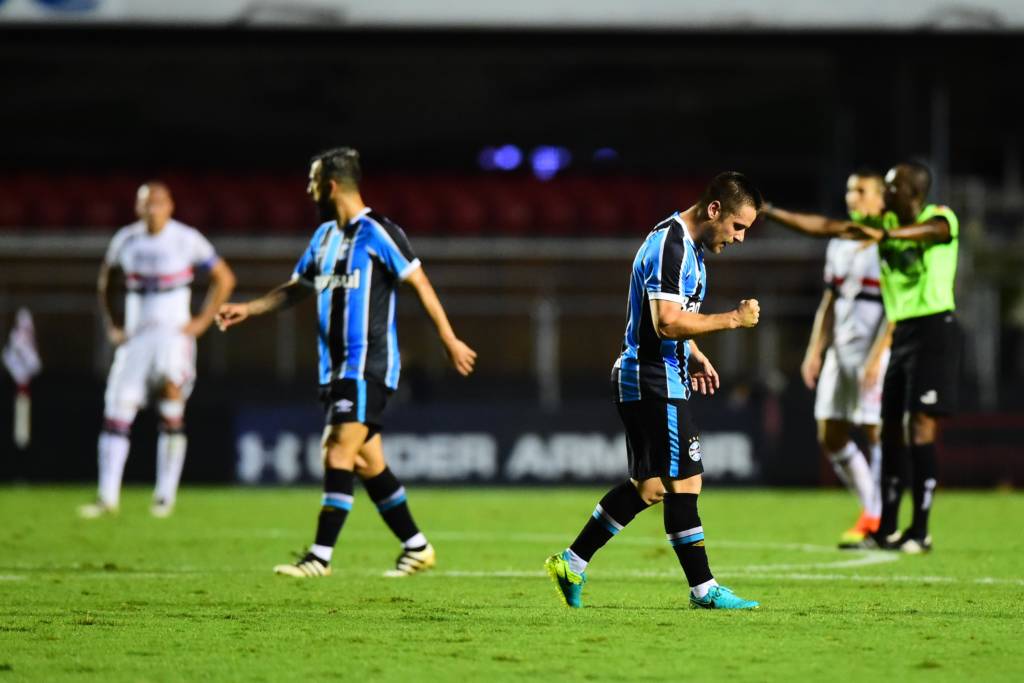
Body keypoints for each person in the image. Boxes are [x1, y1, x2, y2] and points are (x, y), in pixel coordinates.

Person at [216, 147, 477, 577]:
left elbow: (419, 282)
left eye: (312, 180)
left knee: (336, 449)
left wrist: (448, 338)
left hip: (368, 366)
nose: (308, 188)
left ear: (331, 185)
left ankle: (319, 557)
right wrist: (250, 308)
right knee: (365, 461)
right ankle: (417, 546)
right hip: (334, 368)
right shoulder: (323, 237)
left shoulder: (379, 232)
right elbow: (298, 288)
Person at [545, 172, 763, 610]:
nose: (740, 238)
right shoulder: (673, 246)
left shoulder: (684, 246)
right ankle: (704, 590)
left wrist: (695, 351)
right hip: (652, 376)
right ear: (714, 210)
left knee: (649, 487)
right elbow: (666, 321)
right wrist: (733, 320)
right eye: (738, 226)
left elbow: (669, 316)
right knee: (685, 481)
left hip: (655, 373)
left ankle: (572, 562)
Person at [79, 182, 236, 519]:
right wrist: (112, 323)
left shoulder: (186, 238)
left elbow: (224, 278)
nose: (152, 208)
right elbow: (106, 281)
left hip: (172, 338)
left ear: (170, 206)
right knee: (118, 409)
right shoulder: (126, 240)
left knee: (171, 401)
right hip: (136, 338)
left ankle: (164, 496)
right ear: (137, 207)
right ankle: (107, 498)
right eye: (146, 202)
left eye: (159, 202)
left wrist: (202, 322)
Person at [763, 171, 891, 547]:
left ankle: (878, 516)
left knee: (875, 430)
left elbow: (896, 308)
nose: (853, 197)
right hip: (841, 348)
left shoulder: (891, 244)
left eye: (862, 191)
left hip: (874, 349)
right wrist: (815, 349)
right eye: (850, 190)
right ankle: (873, 509)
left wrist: (878, 355)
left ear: (881, 199)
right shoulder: (840, 242)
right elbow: (831, 300)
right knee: (830, 432)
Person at [843, 163, 961, 553]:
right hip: (903, 330)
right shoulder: (885, 220)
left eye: (893, 186)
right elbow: (831, 228)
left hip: (933, 328)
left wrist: (885, 233)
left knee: (920, 427)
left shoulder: (940, 217)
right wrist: (771, 212)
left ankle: (920, 531)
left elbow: (934, 234)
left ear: (913, 191)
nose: (886, 191)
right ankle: (887, 529)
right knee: (890, 426)